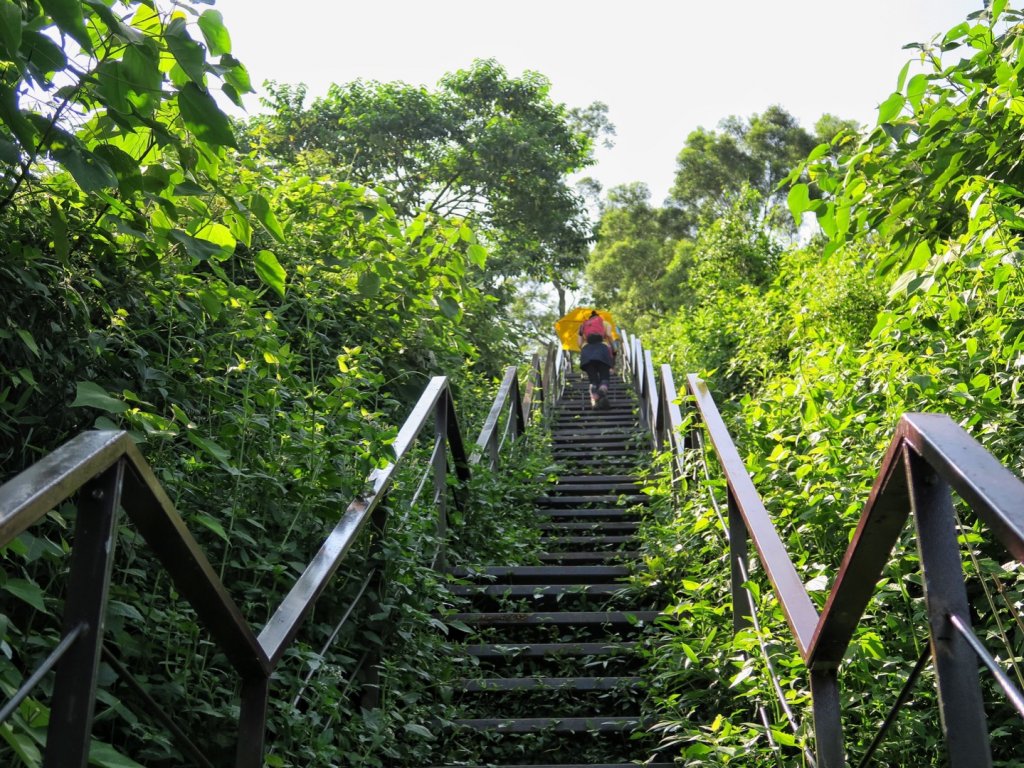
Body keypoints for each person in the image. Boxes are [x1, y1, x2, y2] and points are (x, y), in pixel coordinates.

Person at [577, 310, 615, 410]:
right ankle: (601, 391)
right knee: (604, 377)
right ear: (598, 317)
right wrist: (614, 347)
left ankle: (594, 401)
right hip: (602, 350)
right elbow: (609, 335)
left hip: (587, 352)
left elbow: (579, 344)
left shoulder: (582, 326)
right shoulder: (605, 323)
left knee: (593, 380)